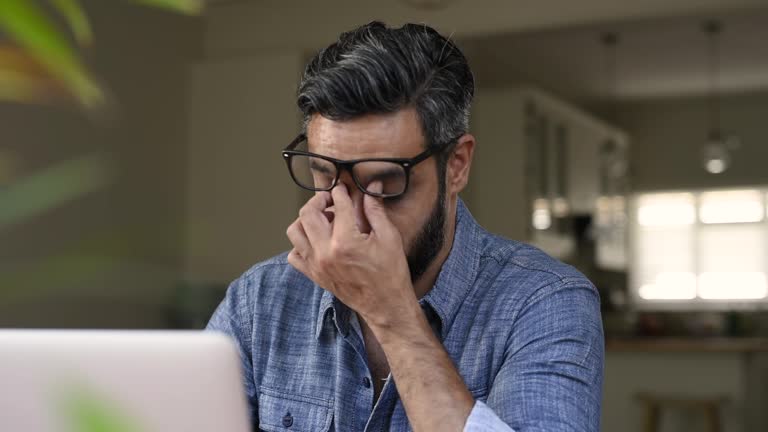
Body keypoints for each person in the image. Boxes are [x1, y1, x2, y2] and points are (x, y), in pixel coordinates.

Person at [207, 21, 603, 432]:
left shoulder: (545, 302)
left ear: (457, 165)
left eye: (385, 182)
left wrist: (391, 315)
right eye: (324, 174)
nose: (351, 218)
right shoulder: (259, 300)